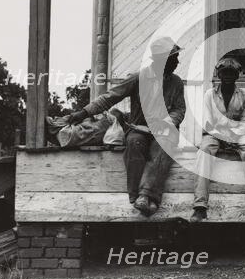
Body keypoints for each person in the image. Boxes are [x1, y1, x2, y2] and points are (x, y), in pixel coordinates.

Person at [69, 36, 185, 216]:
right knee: (134, 143)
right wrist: (84, 113)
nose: (177, 61)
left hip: (164, 131)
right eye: (174, 58)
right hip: (139, 128)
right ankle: (136, 197)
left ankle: (147, 196)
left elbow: (179, 109)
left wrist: (167, 123)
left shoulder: (176, 82)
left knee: (164, 147)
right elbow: (110, 97)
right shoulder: (139, 78)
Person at [190, 57, 245, 222]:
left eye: (231, 73)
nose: (227, 77)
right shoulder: (209, 95)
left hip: (236, 134)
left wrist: (234, 134)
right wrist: (221, 134)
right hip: (214, 134)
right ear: (219, 74)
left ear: (237, 76)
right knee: (204, 151)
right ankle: (199, 207)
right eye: (224, 73)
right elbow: (207, 123)